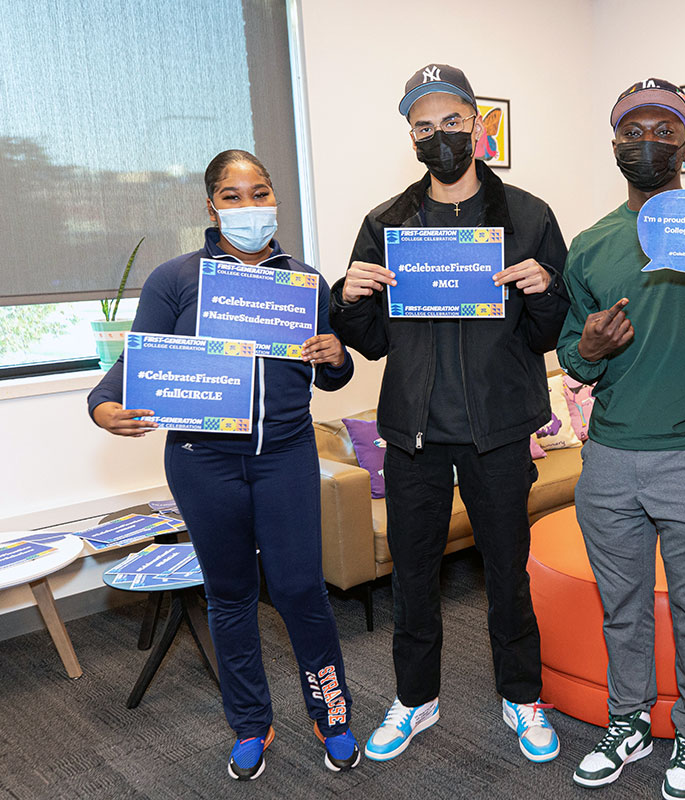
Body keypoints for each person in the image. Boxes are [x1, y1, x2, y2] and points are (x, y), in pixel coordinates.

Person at [87, 149, 361, 781]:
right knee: (230, 595)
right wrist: (102, 405)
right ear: (211, 206)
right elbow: (137, 362)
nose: (249, 206)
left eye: (259, 192)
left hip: (286, 456)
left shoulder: (304, 283)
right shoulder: (177, 279)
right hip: (201, 461)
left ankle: (332, 712)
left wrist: (336, 354)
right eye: (233, 196)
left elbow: (330, 374)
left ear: (275, 199)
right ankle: (249, 723)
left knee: (301, 591)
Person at [329, 63, 569, 765]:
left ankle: (522, 697)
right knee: (413, 577)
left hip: (497, 432)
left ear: (477, 124)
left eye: (452, 121)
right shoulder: (385, 222)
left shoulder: (528, 216)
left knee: (508, 573)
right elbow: (371, 342)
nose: (440, 135)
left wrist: (545, 287)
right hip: (413, 435)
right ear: (410, 135)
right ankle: (415, 699)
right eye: (423, 125)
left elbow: (547, 332)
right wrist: (351, 296)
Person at [557, 78, 685, 800]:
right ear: (614, 143)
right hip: (610, 460)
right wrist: (587, 344)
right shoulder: (590, 247)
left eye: (664, 130)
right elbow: (573, 356)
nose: (647, 143)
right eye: (632, 131)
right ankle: (628, 721)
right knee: (622, 606)